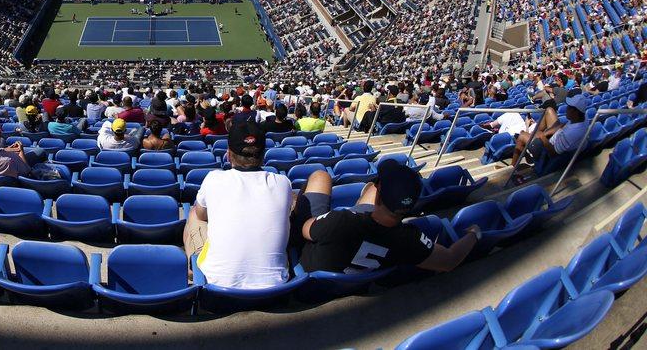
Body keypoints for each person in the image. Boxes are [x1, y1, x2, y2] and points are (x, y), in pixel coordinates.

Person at [292, 163, 480, 273]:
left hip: (311, 274)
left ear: (379, 196)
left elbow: (305, 229)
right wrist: (474, 234)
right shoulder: (410, 239)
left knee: (320, 176)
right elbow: (450, 260)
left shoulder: (340, 221)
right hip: (363, 261)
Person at [184, 120, 293, 288]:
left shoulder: (214, 179)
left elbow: (201, 215)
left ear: (228, 154)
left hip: (218, 287)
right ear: (263, 154)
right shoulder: (283, 183)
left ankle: (194, 267)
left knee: (194, 213)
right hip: (275, 288)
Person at [512, 93, 590, 166]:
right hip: (556, 137)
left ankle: (512, 167)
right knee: (549, 110)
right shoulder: (583, 117)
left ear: (575, 112)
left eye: (569, 107)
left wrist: (542, 137)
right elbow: (564, 125)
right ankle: (532, 135)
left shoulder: (570, 134)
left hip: (548, 150)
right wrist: (546, 133)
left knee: (522, 135)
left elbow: (553, 154)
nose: (566, 109)